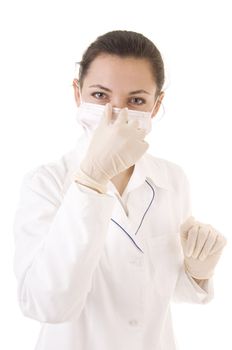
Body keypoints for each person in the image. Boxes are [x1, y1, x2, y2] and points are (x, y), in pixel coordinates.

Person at [13, 30, 227, 350]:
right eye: (100, 95)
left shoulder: (172, 179)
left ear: (156, 105)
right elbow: (47, 305)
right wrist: (89, 182)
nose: (116, 112)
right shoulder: (45, 184)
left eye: (136, 100)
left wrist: (197, 273)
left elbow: (158, 288)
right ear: (77, 93)